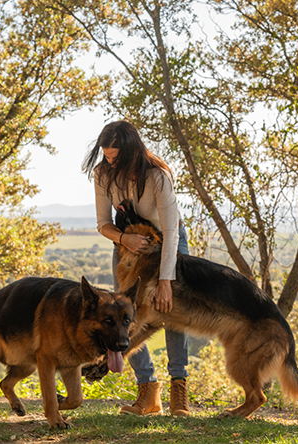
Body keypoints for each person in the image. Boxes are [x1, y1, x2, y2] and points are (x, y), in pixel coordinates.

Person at [83, 120, 191, 417]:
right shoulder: (102, 174)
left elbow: (170, 231)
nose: (108, 161)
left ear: (131, 152)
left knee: (171, 312)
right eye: (105, 155)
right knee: (124, 315)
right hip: (128, 244)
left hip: (167, 242)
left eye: (114, 156)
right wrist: (124, 239)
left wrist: (166, 280)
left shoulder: (158, 176)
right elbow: (102, 224)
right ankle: (147, 391)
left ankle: (178, 390)